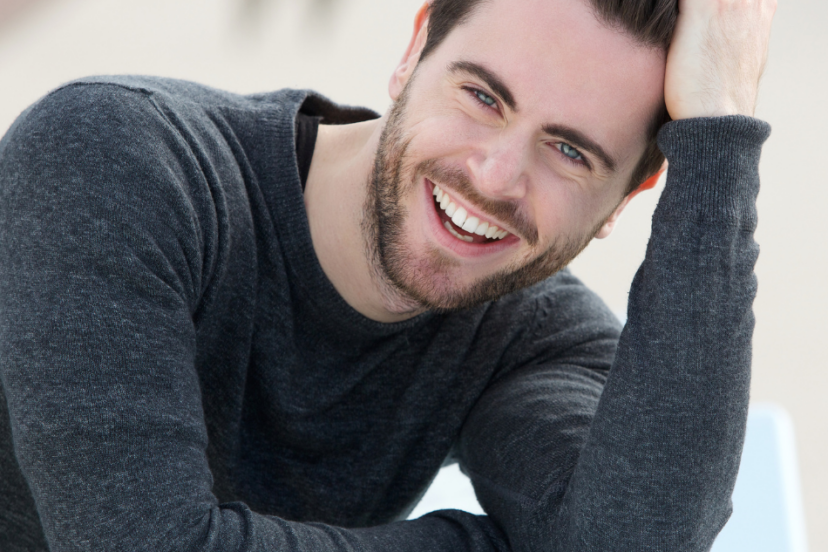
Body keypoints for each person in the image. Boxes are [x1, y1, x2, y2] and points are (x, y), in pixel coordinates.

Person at [0, 0, 775, 550]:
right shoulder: (111, 162)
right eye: (482, 96)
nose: (496, 176)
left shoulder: (538, 343)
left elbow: (637, 540)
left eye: (570, 152)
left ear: (624, 201)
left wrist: (719, 138)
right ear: (413, 54)